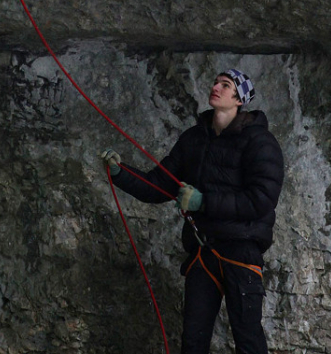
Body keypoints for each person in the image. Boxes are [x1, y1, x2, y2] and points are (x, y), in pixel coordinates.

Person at [100, 68, 284, 354]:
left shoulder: (260, 143)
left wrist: (203, 202)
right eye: (216, 82)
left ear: (239, 99)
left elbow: (261, 200)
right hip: (204, 251)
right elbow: (160, 184)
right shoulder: (195, 139)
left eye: (226, 85)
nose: (216, 87)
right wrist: (120, 173)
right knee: (193, 340)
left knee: (248, 339)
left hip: (241, 251)